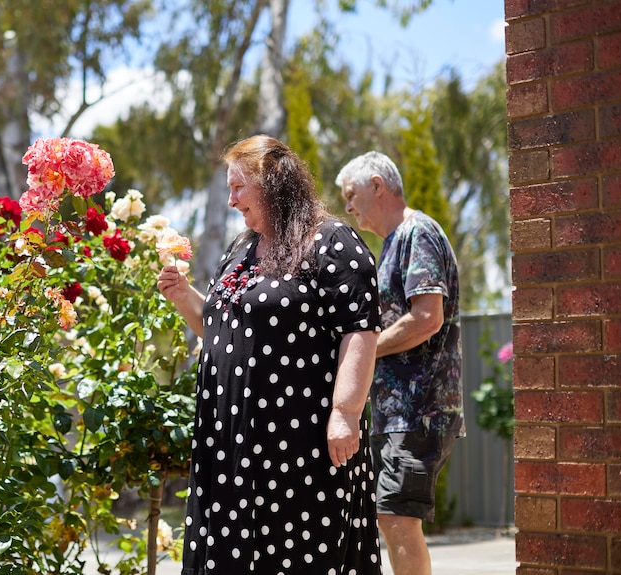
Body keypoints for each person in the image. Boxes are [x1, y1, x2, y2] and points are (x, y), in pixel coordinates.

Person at [157, 135, 384, 575]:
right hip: (229, 446)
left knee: (300, 554)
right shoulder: (241, 249)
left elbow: (360, 330)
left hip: (299, 444)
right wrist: (185, 297)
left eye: (239, 187)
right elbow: (223, 332)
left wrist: (345, 411)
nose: (231, 200)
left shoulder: (332, 241)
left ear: (274, 181)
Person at [335, 151, 464, 575]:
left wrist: (364, 352)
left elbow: (427, 317)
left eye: (352, 195)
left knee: (395, 518)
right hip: (398, 414)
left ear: (378, 185)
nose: (349, 208)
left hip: (419, 411)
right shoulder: (393, 243)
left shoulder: (417, 232)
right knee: (389, 518)